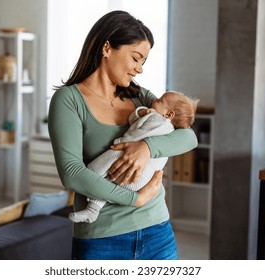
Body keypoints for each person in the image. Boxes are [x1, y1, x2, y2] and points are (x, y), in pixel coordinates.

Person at [48, 10, 198, 260]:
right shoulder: (69, 100)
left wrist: (147, 147)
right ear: (107, 47)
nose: (139, 69)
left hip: (157, 231)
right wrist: (134, 199)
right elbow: (71, 172)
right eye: (136, 58)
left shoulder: (139, 96)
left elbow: (189, 138)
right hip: (102, 239)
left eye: (144, 62)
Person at [69, 91, 199, 223]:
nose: (154, 100)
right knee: (109, 181)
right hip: (138, 182)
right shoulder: (170, 130)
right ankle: (93, 210)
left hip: (133, 167)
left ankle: (90, 188)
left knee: (96, 169)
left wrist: (123, 142)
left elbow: (137, 133)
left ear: (169, 114)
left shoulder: (158, 120)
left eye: (160, 100)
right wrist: (144, 113)